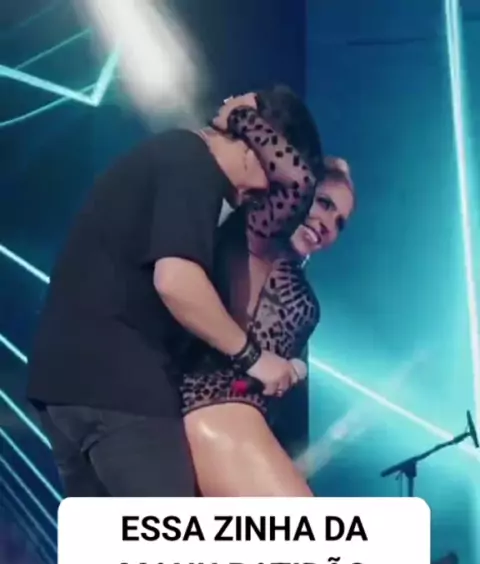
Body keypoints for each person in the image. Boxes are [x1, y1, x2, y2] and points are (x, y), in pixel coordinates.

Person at [26, 87, 324, 500]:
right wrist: (254, 359)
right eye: (264, 185)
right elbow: (176, 280)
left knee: (117, 542)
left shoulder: (169, 160)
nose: (260, 197)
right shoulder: (192, 161)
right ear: (259, 148)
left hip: (63, 390)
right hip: (120, 387)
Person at [180, 146, 355, 499]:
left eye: (340, 223)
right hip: (212, 411)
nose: (328, 224)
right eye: (324, 203)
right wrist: (255, 360)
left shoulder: (294, 278)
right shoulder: (244, 236)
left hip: (247, 426)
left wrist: (287, 372)